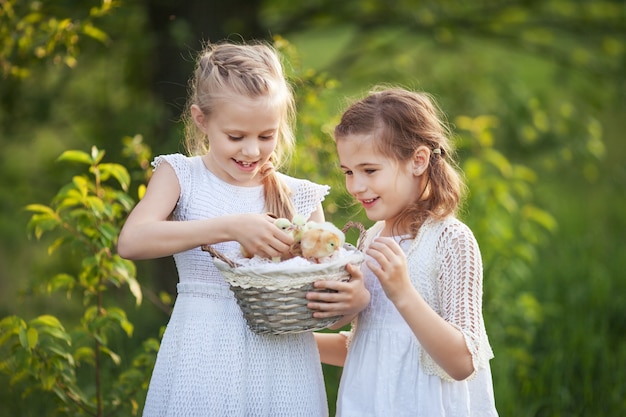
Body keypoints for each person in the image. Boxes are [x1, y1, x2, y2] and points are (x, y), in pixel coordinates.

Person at [117, 40, 368, 417]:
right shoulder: (182, 175)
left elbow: (327, 297)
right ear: (202, 120)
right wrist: (230, 228)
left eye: (266, 136)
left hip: (285, 365)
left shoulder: (298, 196)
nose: (252, 151)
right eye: (236, 137)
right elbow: (132, 241)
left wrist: (351, 304)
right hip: (201, 358)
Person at [309, 87, 499, 416]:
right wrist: (292, 340)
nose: (355, 186)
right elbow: (372, 345)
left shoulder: (450, 240)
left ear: (418, 160)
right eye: (348, 172)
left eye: (369, 170)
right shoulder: (370, 240)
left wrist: (403, 293)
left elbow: (463, 362)